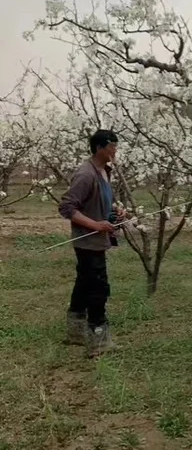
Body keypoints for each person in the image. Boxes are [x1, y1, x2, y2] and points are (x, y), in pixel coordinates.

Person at [57, 129, 123, 357]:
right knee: (97, 289)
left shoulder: (104, 171)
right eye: (112, 146)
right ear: (99, 147)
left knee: (84, 283)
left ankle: (75, 331)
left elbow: (102, 200)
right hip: (87, 241)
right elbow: (67, 208)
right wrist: (96, 225)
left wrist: (115, 210)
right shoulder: (86, 174)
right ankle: (98, 340)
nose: (115, 151)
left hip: (97, 239)